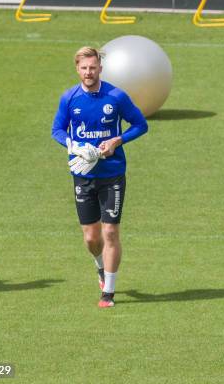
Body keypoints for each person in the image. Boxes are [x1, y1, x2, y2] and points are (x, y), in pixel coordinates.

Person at [52, 47, 148, 308]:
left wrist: (119, 139)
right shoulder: (69, 98)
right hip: (83, 176)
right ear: (77, 69)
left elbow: (141, 124)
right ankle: (99, 267)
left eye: (92, 67)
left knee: (111, 232)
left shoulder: (116, 96)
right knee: (92, 238)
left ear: (100, 69)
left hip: (113, 174)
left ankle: (109, 292)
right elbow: (57, 130)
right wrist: (72, 146)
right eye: (84, 68)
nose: (88, 72)